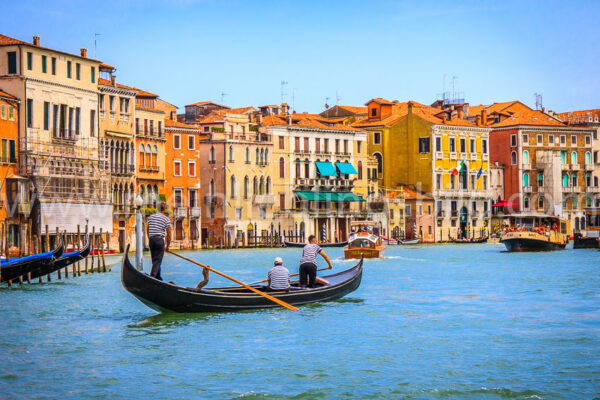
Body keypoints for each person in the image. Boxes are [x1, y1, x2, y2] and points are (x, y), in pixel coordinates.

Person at [146, 202, 172, 281]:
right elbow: (169, 233)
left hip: (152, 240)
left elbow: (148, 229)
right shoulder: (166, 219)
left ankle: (158, 278)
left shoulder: (151, 217)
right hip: (159, 240)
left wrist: (150, 238)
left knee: (155, 260)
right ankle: (152, 278)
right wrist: (168, 246)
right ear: (164, 210)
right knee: (157, 261)